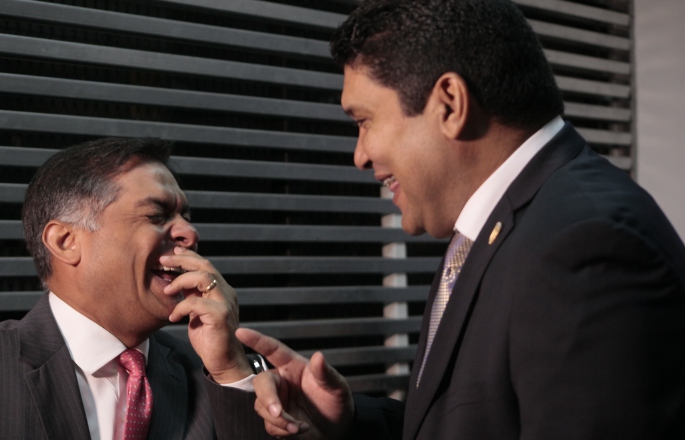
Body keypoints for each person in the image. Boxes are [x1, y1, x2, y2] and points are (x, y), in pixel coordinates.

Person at [236, 0, 685, 439]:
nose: (359, 155)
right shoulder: (504, 231)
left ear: (449, 104)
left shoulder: (583, 246)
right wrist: (352, 424)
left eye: (364, 121)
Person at [0, 138, 273, 440]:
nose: (190, 233)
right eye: (157, 216)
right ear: (66, 242)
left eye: (185, 216)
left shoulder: (217, 378)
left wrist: (231, 371)